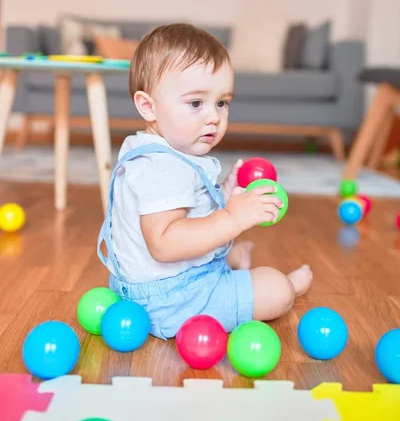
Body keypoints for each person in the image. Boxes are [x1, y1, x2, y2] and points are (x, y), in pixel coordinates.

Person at [97, 23, 312, 339]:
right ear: (148, 106)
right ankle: (288, 286)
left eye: (222, 102)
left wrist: (225, 192)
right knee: (275, 288)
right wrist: (233, 217)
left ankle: (231, 261)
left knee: (226, 247)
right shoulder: (162, 168)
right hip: (173, 301)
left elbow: (191, 210)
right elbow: (165, 243)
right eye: (196, 103)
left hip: (148, 288)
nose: (214, 116)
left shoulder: (153, 150)